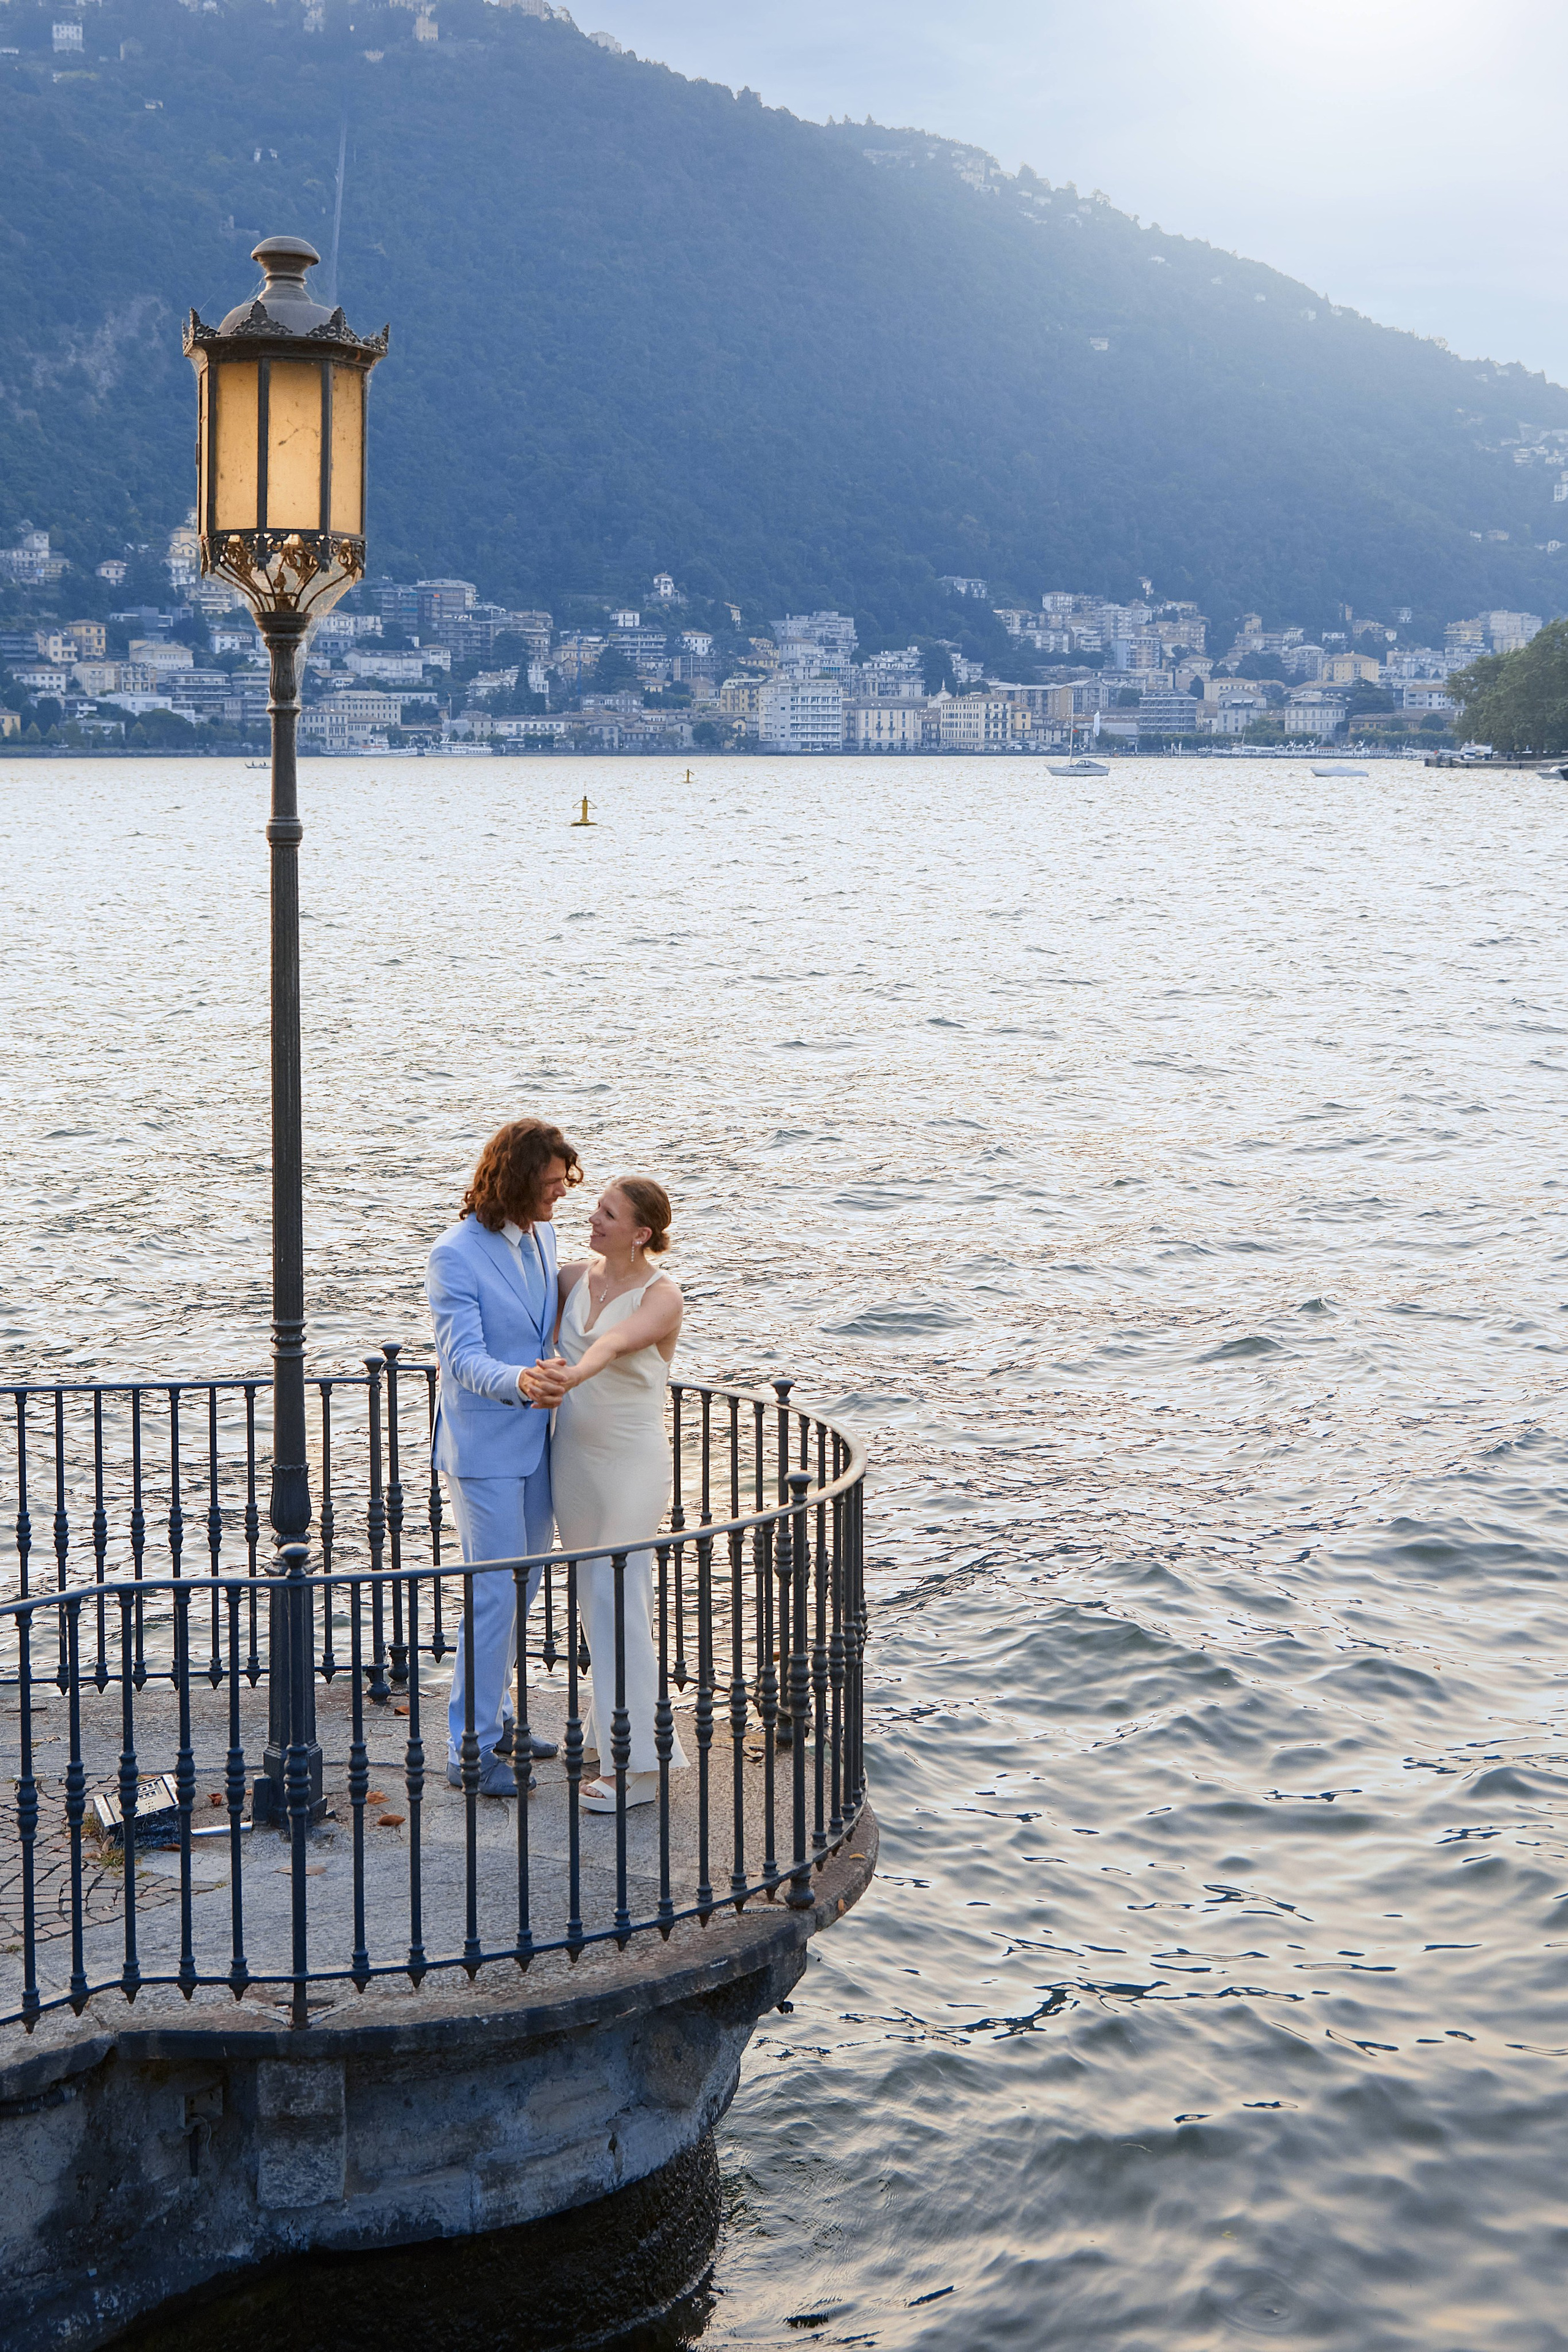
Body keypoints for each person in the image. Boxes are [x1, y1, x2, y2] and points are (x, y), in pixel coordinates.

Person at [426, 1119, 582, 1796]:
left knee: (522, 1590)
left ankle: (501, 1720)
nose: (561, 1193)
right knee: (493, 1595)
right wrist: (521, 1380)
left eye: (564, 1181)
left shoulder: (543, 1235)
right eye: (551, 1183)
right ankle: (471, 1749)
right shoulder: (454, 1254)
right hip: (485, 1448)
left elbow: (549, 1315)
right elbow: (462, 1359)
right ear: (518, 1180)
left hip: (537, 1441)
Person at [522, 1177, 688, 1811]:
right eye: (596, 1208)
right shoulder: (571, 1278)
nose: (593, 1218)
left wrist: (566, 1378)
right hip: (575, 1462)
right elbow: (522, 1311)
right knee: (596, 1601)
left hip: (630, 1464)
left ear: (640, 1233)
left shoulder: (661, 1296)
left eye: (608, 1214)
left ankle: (639, 1766)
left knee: (619, 1598)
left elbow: (612, 1346)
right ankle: (612, 1732)